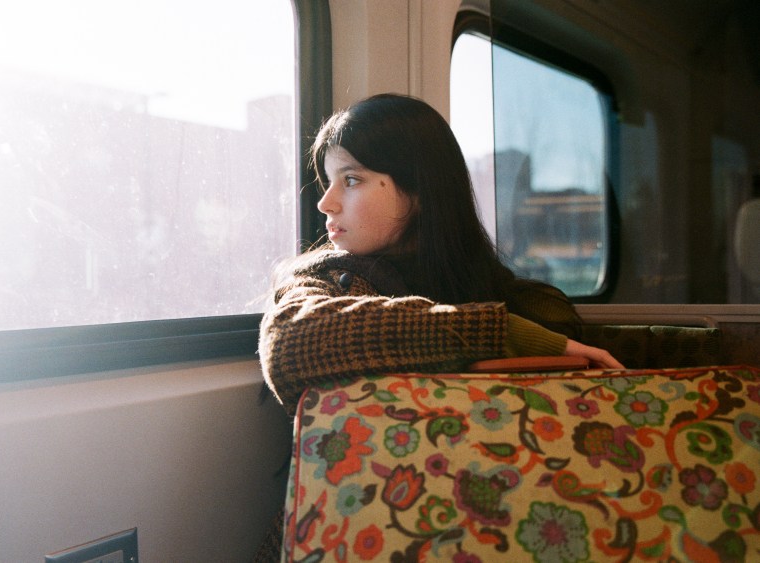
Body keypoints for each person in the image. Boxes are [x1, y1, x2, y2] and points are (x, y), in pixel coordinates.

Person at [254, 93, 621, 560]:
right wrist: (495, 333)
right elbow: (290, 343)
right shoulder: (322, 279)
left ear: (419, 190)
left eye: (351, 180)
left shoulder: (524, 301)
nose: (326, 203)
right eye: (329, 181)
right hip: (349, 523)